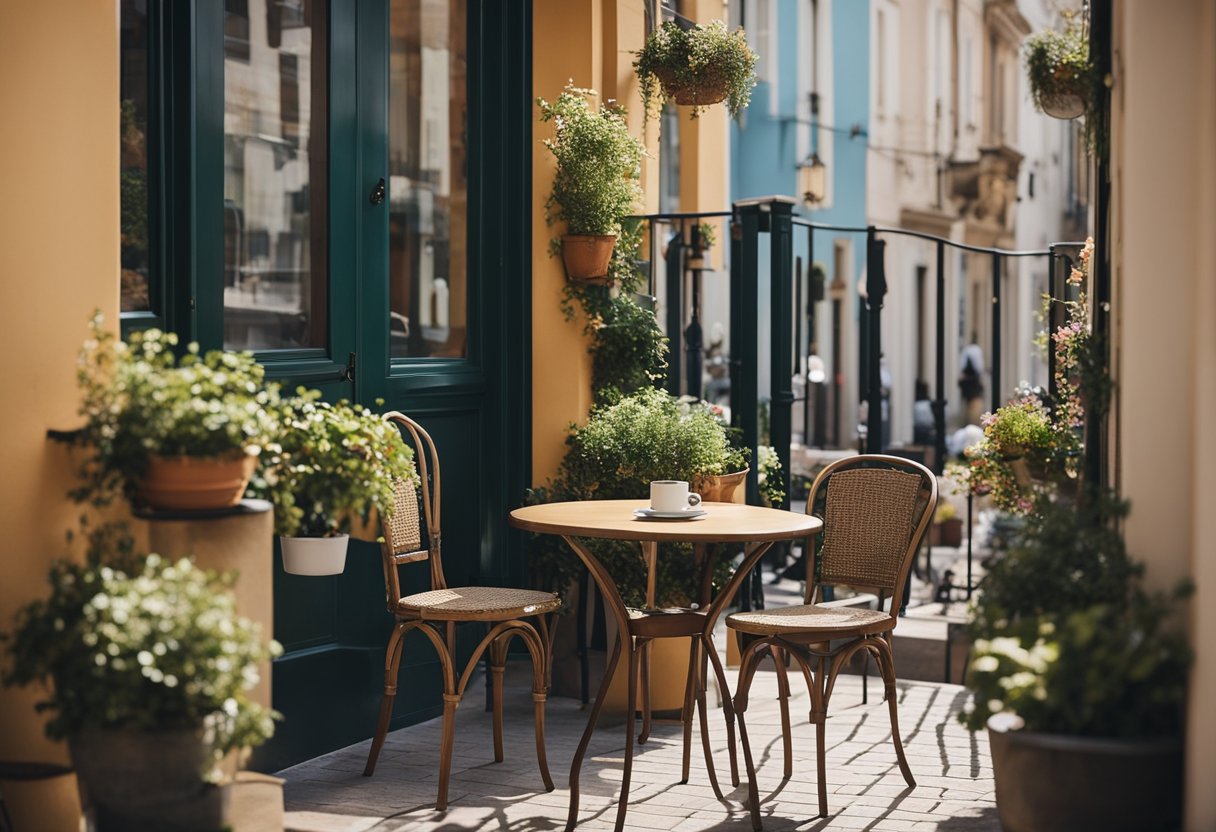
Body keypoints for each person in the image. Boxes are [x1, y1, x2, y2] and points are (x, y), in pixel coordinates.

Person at [958, 336, 985, 425]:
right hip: (973, 384)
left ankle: (967, 422)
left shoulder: (966, 351)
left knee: (967, 405)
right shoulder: (976, 350)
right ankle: (972, 422)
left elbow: (962, 367)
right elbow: (979, 367)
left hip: (967, 384)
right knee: (974, 406)